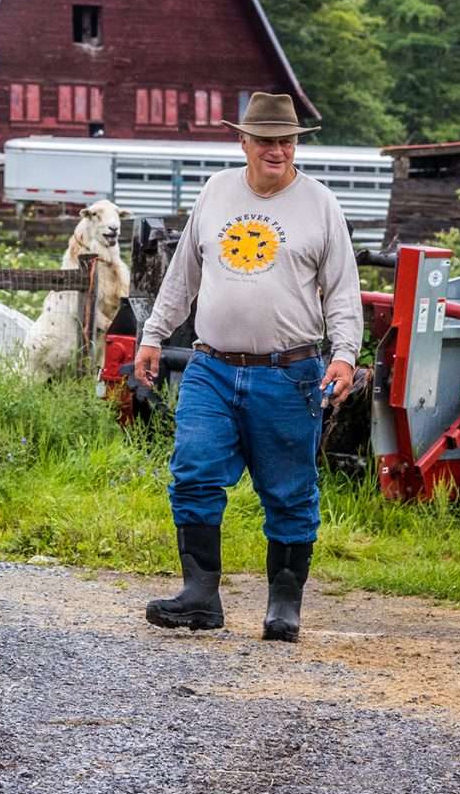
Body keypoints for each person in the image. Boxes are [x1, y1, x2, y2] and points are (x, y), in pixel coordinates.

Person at [135, 92, 361, 643]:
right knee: (193, 470)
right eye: (266, 140)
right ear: (244, 142)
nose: (277, 149)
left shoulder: (320, 204)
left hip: (289, 372)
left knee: (288, 490)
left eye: (286, 140)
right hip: (211, 365)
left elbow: (343, 291)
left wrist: (345, 354)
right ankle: (200, 595)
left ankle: (284, 603)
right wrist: (153, 335)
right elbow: (183, 274)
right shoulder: (216, 192)